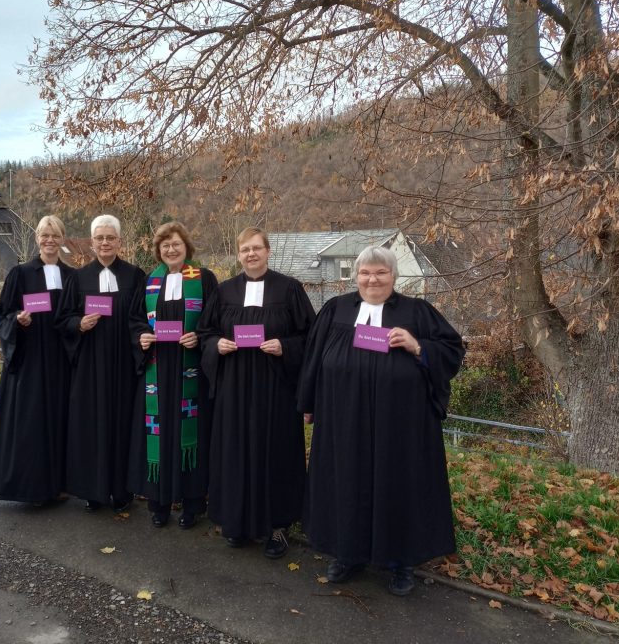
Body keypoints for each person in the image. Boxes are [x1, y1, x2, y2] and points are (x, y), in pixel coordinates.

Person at [298, 246, 464, 596]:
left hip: (400, 422)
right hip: (343, 418)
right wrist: (308, 403)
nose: (372, 279)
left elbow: (452, 351)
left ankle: (400, 561)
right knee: (346, 480)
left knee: (397, 482)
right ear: (356, 276)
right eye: (365, 273)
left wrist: (418, 346)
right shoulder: (336, 309)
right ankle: (347, 554)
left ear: (393, 276)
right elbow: (313, 358)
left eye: (380, 272)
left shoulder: (417, 311)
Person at [198, 227, 315, 558]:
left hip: (275, 389)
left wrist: (285, 346)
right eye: (245, 249)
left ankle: (277, 527)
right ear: (238, 254)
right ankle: (237, 522)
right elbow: (205, 332)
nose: (251, 254)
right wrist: (216, 344)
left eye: (256, 248)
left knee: (275, 453)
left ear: (267, 251)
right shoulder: (224, 291)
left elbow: (311, 336)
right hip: (233, 390)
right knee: (234, 452)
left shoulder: (289, 289)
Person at [128, 222, 218, 529]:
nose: (171, 249)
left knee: (191, 436)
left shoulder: (204, 278)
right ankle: (159, 503)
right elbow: (135, 319)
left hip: (190, 371)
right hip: (157, 372)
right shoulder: (149, 281)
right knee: (160, 433)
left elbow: (215, 320)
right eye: (165, 245)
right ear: (158, 250)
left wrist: (199, 337)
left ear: (186, 246)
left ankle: (192, 504)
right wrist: (141, 336)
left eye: (176, 244)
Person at [0, 215, 73, 505]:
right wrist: (17, 320)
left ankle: (59, 485)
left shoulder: (72, 276)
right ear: (37, 239)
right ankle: (30, 488)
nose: (50, 240)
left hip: (61, 360)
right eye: (45, 235)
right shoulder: (20, 274)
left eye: (55, 235)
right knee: (31, 422)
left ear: (62, 239)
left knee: (59, 420)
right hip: (30, 359)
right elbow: (2, 315)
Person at [56, 215, 146, 512]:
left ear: (120, 242)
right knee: (91, 425)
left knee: (123, 425)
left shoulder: (135, 276)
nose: (105, 243)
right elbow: (63, 319)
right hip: (90, 366)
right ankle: (93, 491)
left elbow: (143, 317)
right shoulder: (78, 278)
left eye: (110, 237)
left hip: (124, 365)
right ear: (92, 242)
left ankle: (122, 491)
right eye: (99, 238)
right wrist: (79, 324)